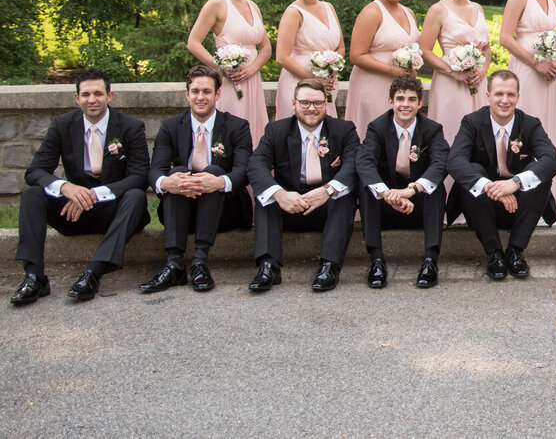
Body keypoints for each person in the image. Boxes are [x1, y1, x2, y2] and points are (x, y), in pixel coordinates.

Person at [11, 69, 150, 304]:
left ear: (110, 96)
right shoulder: (62, 125)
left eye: (98, 93)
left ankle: (93, 273)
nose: (92, 99)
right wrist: (66, 188)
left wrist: (95, 194)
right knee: (32, 193)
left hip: (112, 211)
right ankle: (34, 276)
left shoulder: (130, 127)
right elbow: (34, 172)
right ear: (77, 98)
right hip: (73, 211)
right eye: (86, 94)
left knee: (136, 196)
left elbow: (139, 176)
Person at [139, 65, 253, 294]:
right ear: (187, 94)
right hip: (183, 210)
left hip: (225, 210)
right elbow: (155, 170)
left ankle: (200, 261)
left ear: (217, 94)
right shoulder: (170, 127)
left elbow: (244, 171)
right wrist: (166, 183)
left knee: (214, 170)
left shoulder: (236, 126)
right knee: (176, 172)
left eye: (207, 92)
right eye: (195, 91)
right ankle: (174, 264)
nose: (201, 97)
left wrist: (219, 182)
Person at [245, 78, 359, 293]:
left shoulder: (344, 130)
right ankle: (268, 266)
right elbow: (256, 164)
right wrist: (280, 194)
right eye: (305, 102)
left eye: (317, 103)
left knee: (343, 195)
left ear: (326, 104)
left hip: (326, 206)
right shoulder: (276, 130)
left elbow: (354, 165)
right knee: (266, 195)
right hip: (289, 204)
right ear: (294, 103)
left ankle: (329, 266)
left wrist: (327, 191)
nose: (311, 109)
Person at [447, 70, 556, 280]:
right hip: (482, 205)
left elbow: (552, 160)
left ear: (518, 97)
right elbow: (455, 161)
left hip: (519, 206)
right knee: (473, 172)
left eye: (510, 95)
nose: (504, 100)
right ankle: (494, 254)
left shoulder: (530, 124)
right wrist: (491, 187)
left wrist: (515, 183)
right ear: (487, 95)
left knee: (539, 175)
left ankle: (515, 251)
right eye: (499, 94)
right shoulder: (471, 122)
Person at [356, 75, 449, 289]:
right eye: (400, 99)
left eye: (411, 99)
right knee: (366, 188)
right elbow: (364, 162)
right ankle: (377, 261)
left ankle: (430, 261)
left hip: (417, 205)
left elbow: (440, 162)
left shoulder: (432, 129)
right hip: (385, 205)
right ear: (390, 102)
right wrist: (387, 194)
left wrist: (411, 190)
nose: (405, 104)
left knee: (435, 188)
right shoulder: (377, 128)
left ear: (420, 103)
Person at [499, 0, 556, 206]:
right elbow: (505, 37)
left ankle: (546, 199)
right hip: (527, 72)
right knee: (525, 132)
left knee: (547, 129)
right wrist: (537, 63)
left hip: (550, 75)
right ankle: (522, 196)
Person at [186, 0, 271, 145]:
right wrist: (220, 67)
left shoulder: (253, 6)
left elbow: (266, 48)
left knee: (255, 132)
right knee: (232, 133)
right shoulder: (217, 3)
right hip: (231, 81)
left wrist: (252, 68)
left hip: (253, 80)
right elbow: (193, 42)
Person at [344, 0, 421, 139]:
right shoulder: (372, 12)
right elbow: (356, 55)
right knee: (375, 135)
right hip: (373, 84)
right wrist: (393, 70)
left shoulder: (408, 12)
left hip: (401, 87)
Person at [420, 0, 490, 146]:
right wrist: (454, 73)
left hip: (477, 83)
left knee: (478, 138)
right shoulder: (439, 10)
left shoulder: (478, 8)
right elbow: (425, 50)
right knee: (452, 133)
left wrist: (482, 71)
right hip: (450, 83)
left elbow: (486, 48)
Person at [275, 0, 345, 120]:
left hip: (326, 84)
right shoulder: (293, 12)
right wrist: (313, 79)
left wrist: (332, 69)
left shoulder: (329, 8)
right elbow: (282, 57)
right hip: (298, 83)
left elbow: (340, 47)